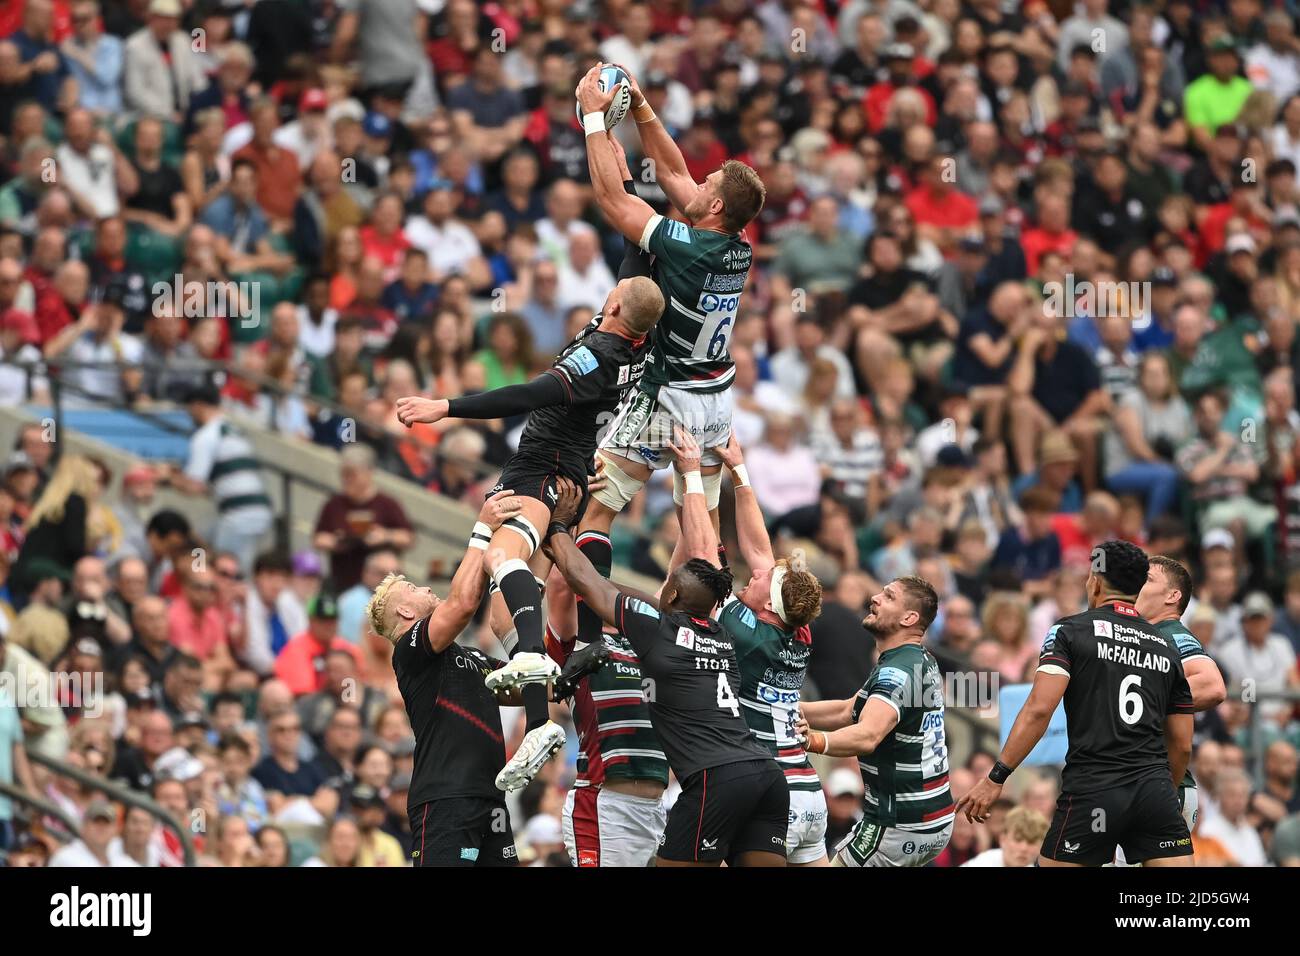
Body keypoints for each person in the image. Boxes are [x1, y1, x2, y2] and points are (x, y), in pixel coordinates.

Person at [393, 274, 664, 792]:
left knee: (501, 560)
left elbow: (531, 392)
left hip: (541, 471)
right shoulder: (634, 338)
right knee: (502, 616)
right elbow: (634, 263)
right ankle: (540, 722)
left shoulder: (603, 352)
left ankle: (536, 675)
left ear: (612, 304)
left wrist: (444, 408)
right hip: (564, 468)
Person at [575, 64, 767, 652]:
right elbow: (677, 173)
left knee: (595, 514)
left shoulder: (688, 249)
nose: (696, 182)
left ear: (713, 206)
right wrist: (640, 110)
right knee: (697, 537)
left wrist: (590, 116)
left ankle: (593, 638)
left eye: (708, 184)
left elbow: (614, 199)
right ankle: (676, 637)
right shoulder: (733, 245)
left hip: (668, 395)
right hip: (716, 400)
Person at [546, 474, 790, 867]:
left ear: (672, 595)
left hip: (695, 788)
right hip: (754, 777)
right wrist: (690, 482)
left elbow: (591, 582)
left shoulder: (657, 631)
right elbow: (570, 584)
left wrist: (559, 524)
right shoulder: (719, 633)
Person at [364, 489, 605, 867]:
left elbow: (521, 687)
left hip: (490, 800)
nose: (425, 587)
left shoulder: (470, 656)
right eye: (412, 588)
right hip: (445, 800)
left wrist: (572, 672)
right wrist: (483, 528)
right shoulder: (409, 650)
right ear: (406, 611)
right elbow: (462, 604)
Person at [957, 540, 1196, 867]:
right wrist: (1162, 794)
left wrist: (996, 777)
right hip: (1154, 791)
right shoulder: (1166, 647)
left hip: (1095, 789)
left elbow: (1039, 710)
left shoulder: (1070, 632)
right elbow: (1182, 744)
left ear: (1095, 581)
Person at [706, 433, 828, 865]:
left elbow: (707, 555)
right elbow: (759, 550)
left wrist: (694, 479)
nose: (753, 576)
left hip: (770, 796)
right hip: (810, 795)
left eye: (761, 581)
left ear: (770, 606)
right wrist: (738, 469)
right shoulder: (799, 630)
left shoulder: (745, 633)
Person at [797, 575, 954, 867]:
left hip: (898, 825)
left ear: (909, 618)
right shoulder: (919, 659)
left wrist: (813, 740)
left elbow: (868, 735)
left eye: (889, 596)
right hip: (934, 820)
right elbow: (848, 711)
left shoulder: (897, 672)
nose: (875, 598)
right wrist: (785, 707)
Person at [1134, 555, 1228, 838]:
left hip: (1161, 785)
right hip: (1146, 783)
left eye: (1147, 579)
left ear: (1173, 595)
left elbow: (1213, 686)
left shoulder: (1171, 633)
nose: (1136, 583)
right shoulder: (1143, 634)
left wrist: (1141, 702)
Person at [160, 383, 274, 573]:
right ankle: (197, 573)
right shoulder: (234, 431)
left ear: (197, 406)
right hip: (260, 511)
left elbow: (194, 486)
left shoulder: (205, 436)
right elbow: (211, 485)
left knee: (229, 570)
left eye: (189, 408)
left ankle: (200, 577)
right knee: (200, 538)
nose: (189, 415)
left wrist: (166, 478)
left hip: (239, 515)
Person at [960, 806, 1050, 867]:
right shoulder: (982, 863)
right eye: (1018, 840)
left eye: (1031, 842)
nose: (1024, 848)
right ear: (1002, 839)